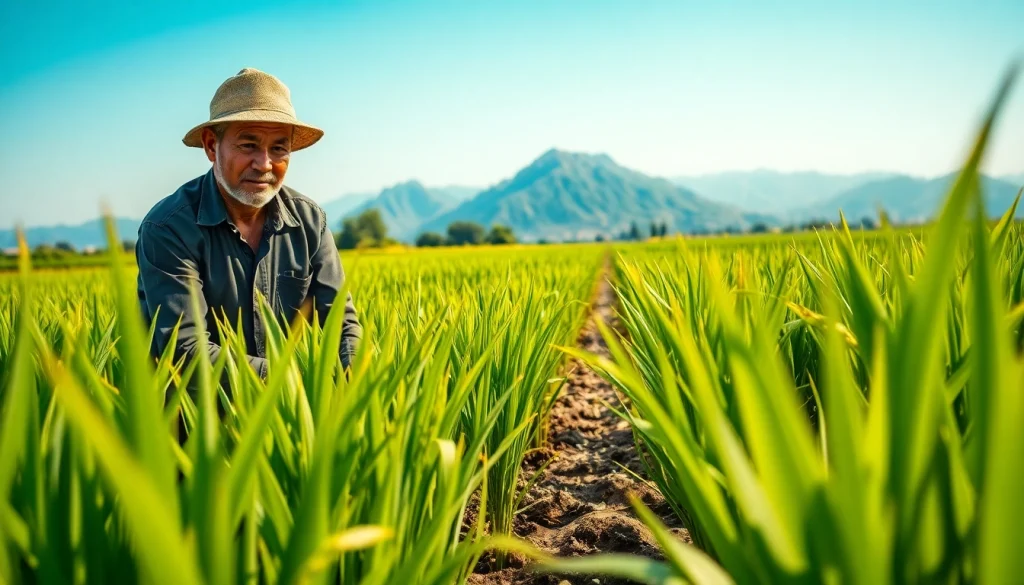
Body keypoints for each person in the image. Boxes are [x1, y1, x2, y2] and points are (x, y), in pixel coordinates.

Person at [136, 68, 362, 380]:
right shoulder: (168, 228)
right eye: (248, 145)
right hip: (195, 418)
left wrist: (352, 376)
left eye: (279, 148)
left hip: (288, 417)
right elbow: (186, 350)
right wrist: (297, 380)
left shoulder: (310, 222)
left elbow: (341, 323)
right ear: (212, 146)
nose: (265, 163)